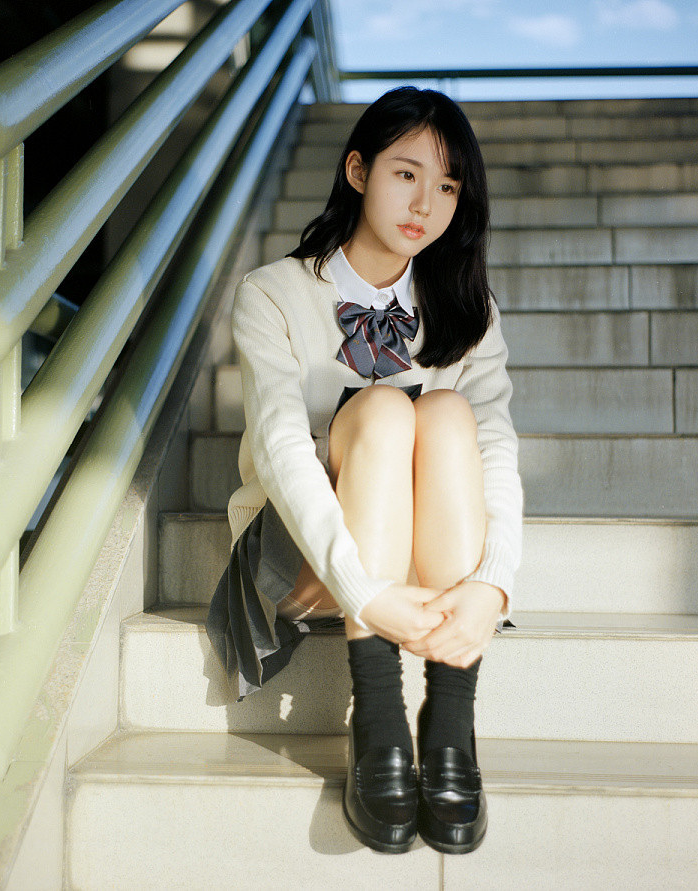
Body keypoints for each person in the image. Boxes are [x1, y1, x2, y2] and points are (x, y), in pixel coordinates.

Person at [207, 86, 522, 855]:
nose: (425, 204)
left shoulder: (468, 307)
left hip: (425, 557)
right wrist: (364, 589)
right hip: (305, 556)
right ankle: (378, 715)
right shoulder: (273, 293)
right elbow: (282, 448)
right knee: (382, 409)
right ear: (358, 170)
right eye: (406, 174)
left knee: (450, 413)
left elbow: (497, 449)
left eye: (448, 186)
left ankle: (450, 719)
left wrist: (494, 584)